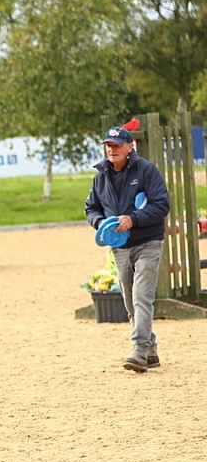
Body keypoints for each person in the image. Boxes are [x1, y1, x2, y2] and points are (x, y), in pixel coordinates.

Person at [84, 125, 170, 373]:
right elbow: (91, 208)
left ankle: (139, 350)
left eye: (117, 145)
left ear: (130, 146)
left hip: (148, 242)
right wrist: (101, 223)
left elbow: (162, 204)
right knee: (130, 303)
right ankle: (150, 350)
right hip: (119, 247)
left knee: (142, 297)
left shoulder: (146, 170)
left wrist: (134, 219)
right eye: (108, 146)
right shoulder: (100, 176)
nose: (112, 150)